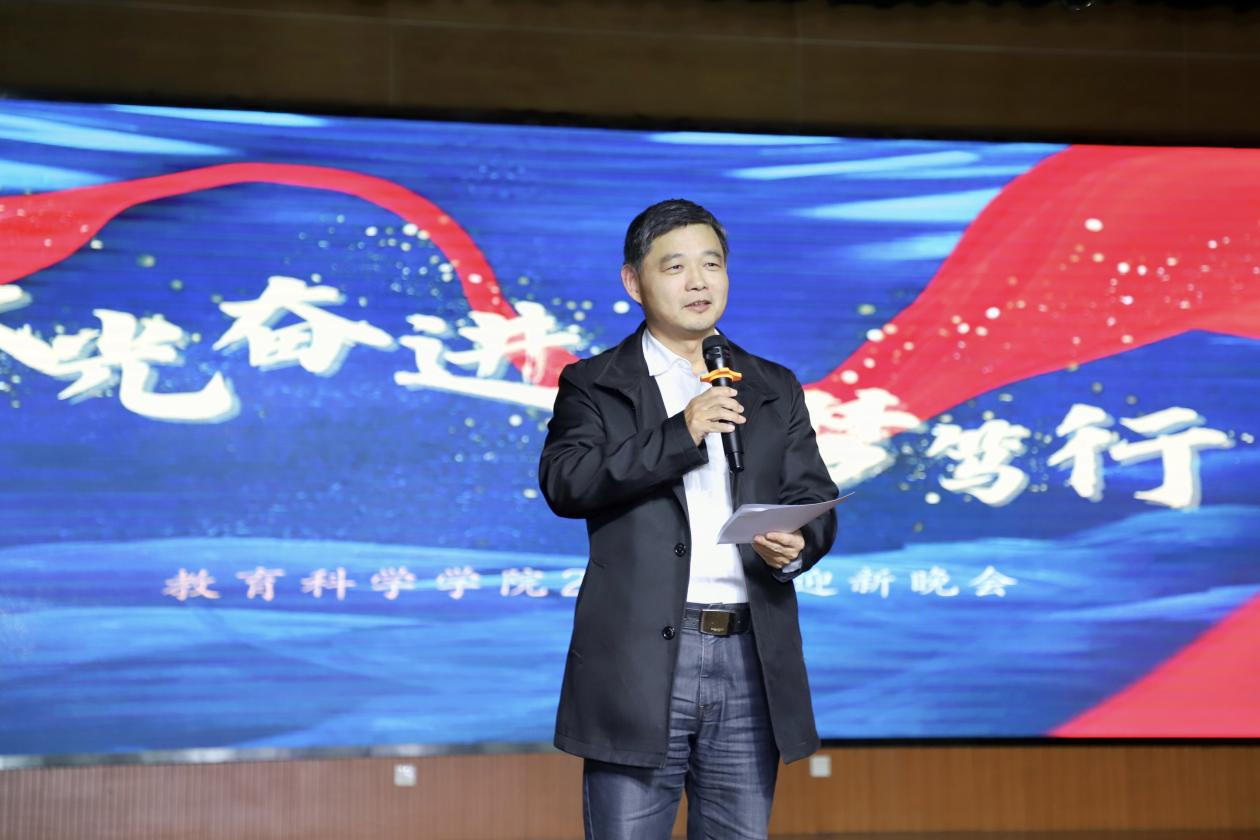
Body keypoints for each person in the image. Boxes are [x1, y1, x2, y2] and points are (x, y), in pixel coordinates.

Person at [538, 199, 838, 840]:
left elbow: (813, 494)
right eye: (675, 267)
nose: (698, 282)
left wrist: (798, 542)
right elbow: (568, 482)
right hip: (640, 660)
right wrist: (683, 431)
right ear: (634, 282)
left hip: (751, 653)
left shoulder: (771, 384)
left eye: (712, 264)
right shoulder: (595, 383)